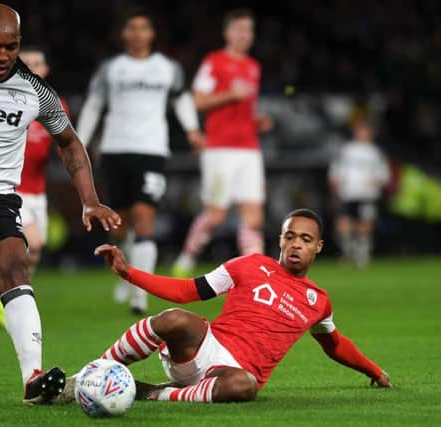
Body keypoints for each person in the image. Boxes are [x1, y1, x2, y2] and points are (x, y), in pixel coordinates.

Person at [0, 4, 121, 404]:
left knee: (15, 265)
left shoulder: (35, 92)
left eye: (11, 47)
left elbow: (70, 144)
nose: (3, 56)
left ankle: (33, 379)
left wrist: (90, 201)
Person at [58, 209, 392, 404]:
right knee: (175, 319)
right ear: (280, 239)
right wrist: (128, 273)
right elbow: (188, 290)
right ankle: (86, 378)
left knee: (246, 387)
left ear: (318, 247)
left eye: (305, 240)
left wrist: (374, 371)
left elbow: (335, 344)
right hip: (203, 348)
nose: (295, 245)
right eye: (290, 236)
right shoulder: (249, 264)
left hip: (231, 376)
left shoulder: (317, 301)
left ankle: (154, 394)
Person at [77, 9, 203, 314]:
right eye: (131, 28)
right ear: (124, 35)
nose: (137, 33)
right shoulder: (112, 69)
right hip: (115, 149)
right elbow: (94, 104)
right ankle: (126, 271)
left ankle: (139, 294)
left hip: (151, 150)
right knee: (120, 226)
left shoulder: (167, 68)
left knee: (145, 218)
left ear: (151, 34)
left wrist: (193, 130)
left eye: (143, 28)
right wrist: (78, 141)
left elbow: (181, 98)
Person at [172, 8, 272, 277]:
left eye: (249, 30)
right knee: (215, 215)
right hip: (219, 148)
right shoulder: (213, 62)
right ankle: (186, 258)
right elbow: (198, 100)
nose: (244, 35)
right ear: (227, 33)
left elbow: (244, 110)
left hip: (249, 148)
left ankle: (254, 274)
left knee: (253, 214)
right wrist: (230, 94)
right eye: (239, 29)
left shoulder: (253, 66)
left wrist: (257, 121)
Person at [0, 45, 69, 328]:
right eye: (28, 62)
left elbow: (64, 142)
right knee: (30, 243)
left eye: (38, 62)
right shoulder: (5, 99)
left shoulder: (53, 102)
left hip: (37, 190)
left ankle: (8, 298)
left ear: (46, 70)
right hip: (11, 186)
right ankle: (5, 303)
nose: (33, 67)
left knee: (37, 248)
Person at [328, 121, 390, 267]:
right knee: (344, 223)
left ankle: (362, 254)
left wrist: (377, 181)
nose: (362, 133)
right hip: (348, 193)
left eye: (365, 130)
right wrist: (335, 181)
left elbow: (384, 174)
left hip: (367, 194)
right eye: (360, 130)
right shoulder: (346, 150)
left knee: (365, 223)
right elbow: (336, 168)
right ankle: (347, 252)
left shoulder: (376, 152)